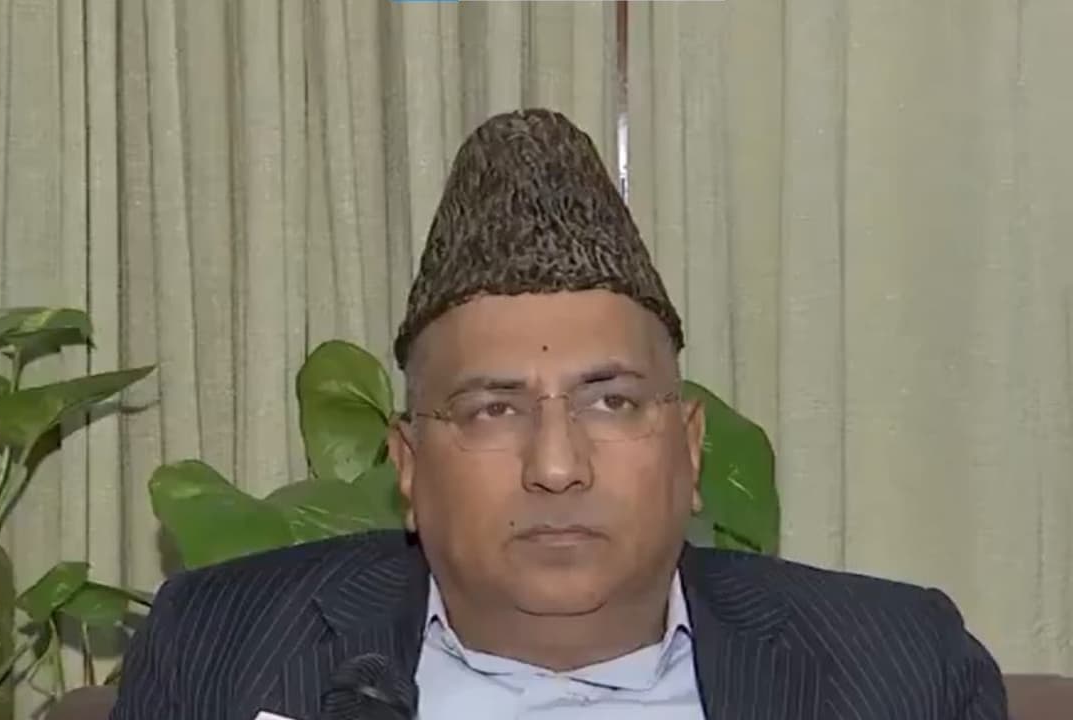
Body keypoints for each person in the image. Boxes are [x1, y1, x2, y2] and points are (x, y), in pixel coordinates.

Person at [109, 109, 1007, 720]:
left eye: (610, 402)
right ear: (408, 468)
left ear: (690, 449)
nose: (555, 466)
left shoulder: (897, 670)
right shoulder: (221, 649)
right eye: (491, 410)